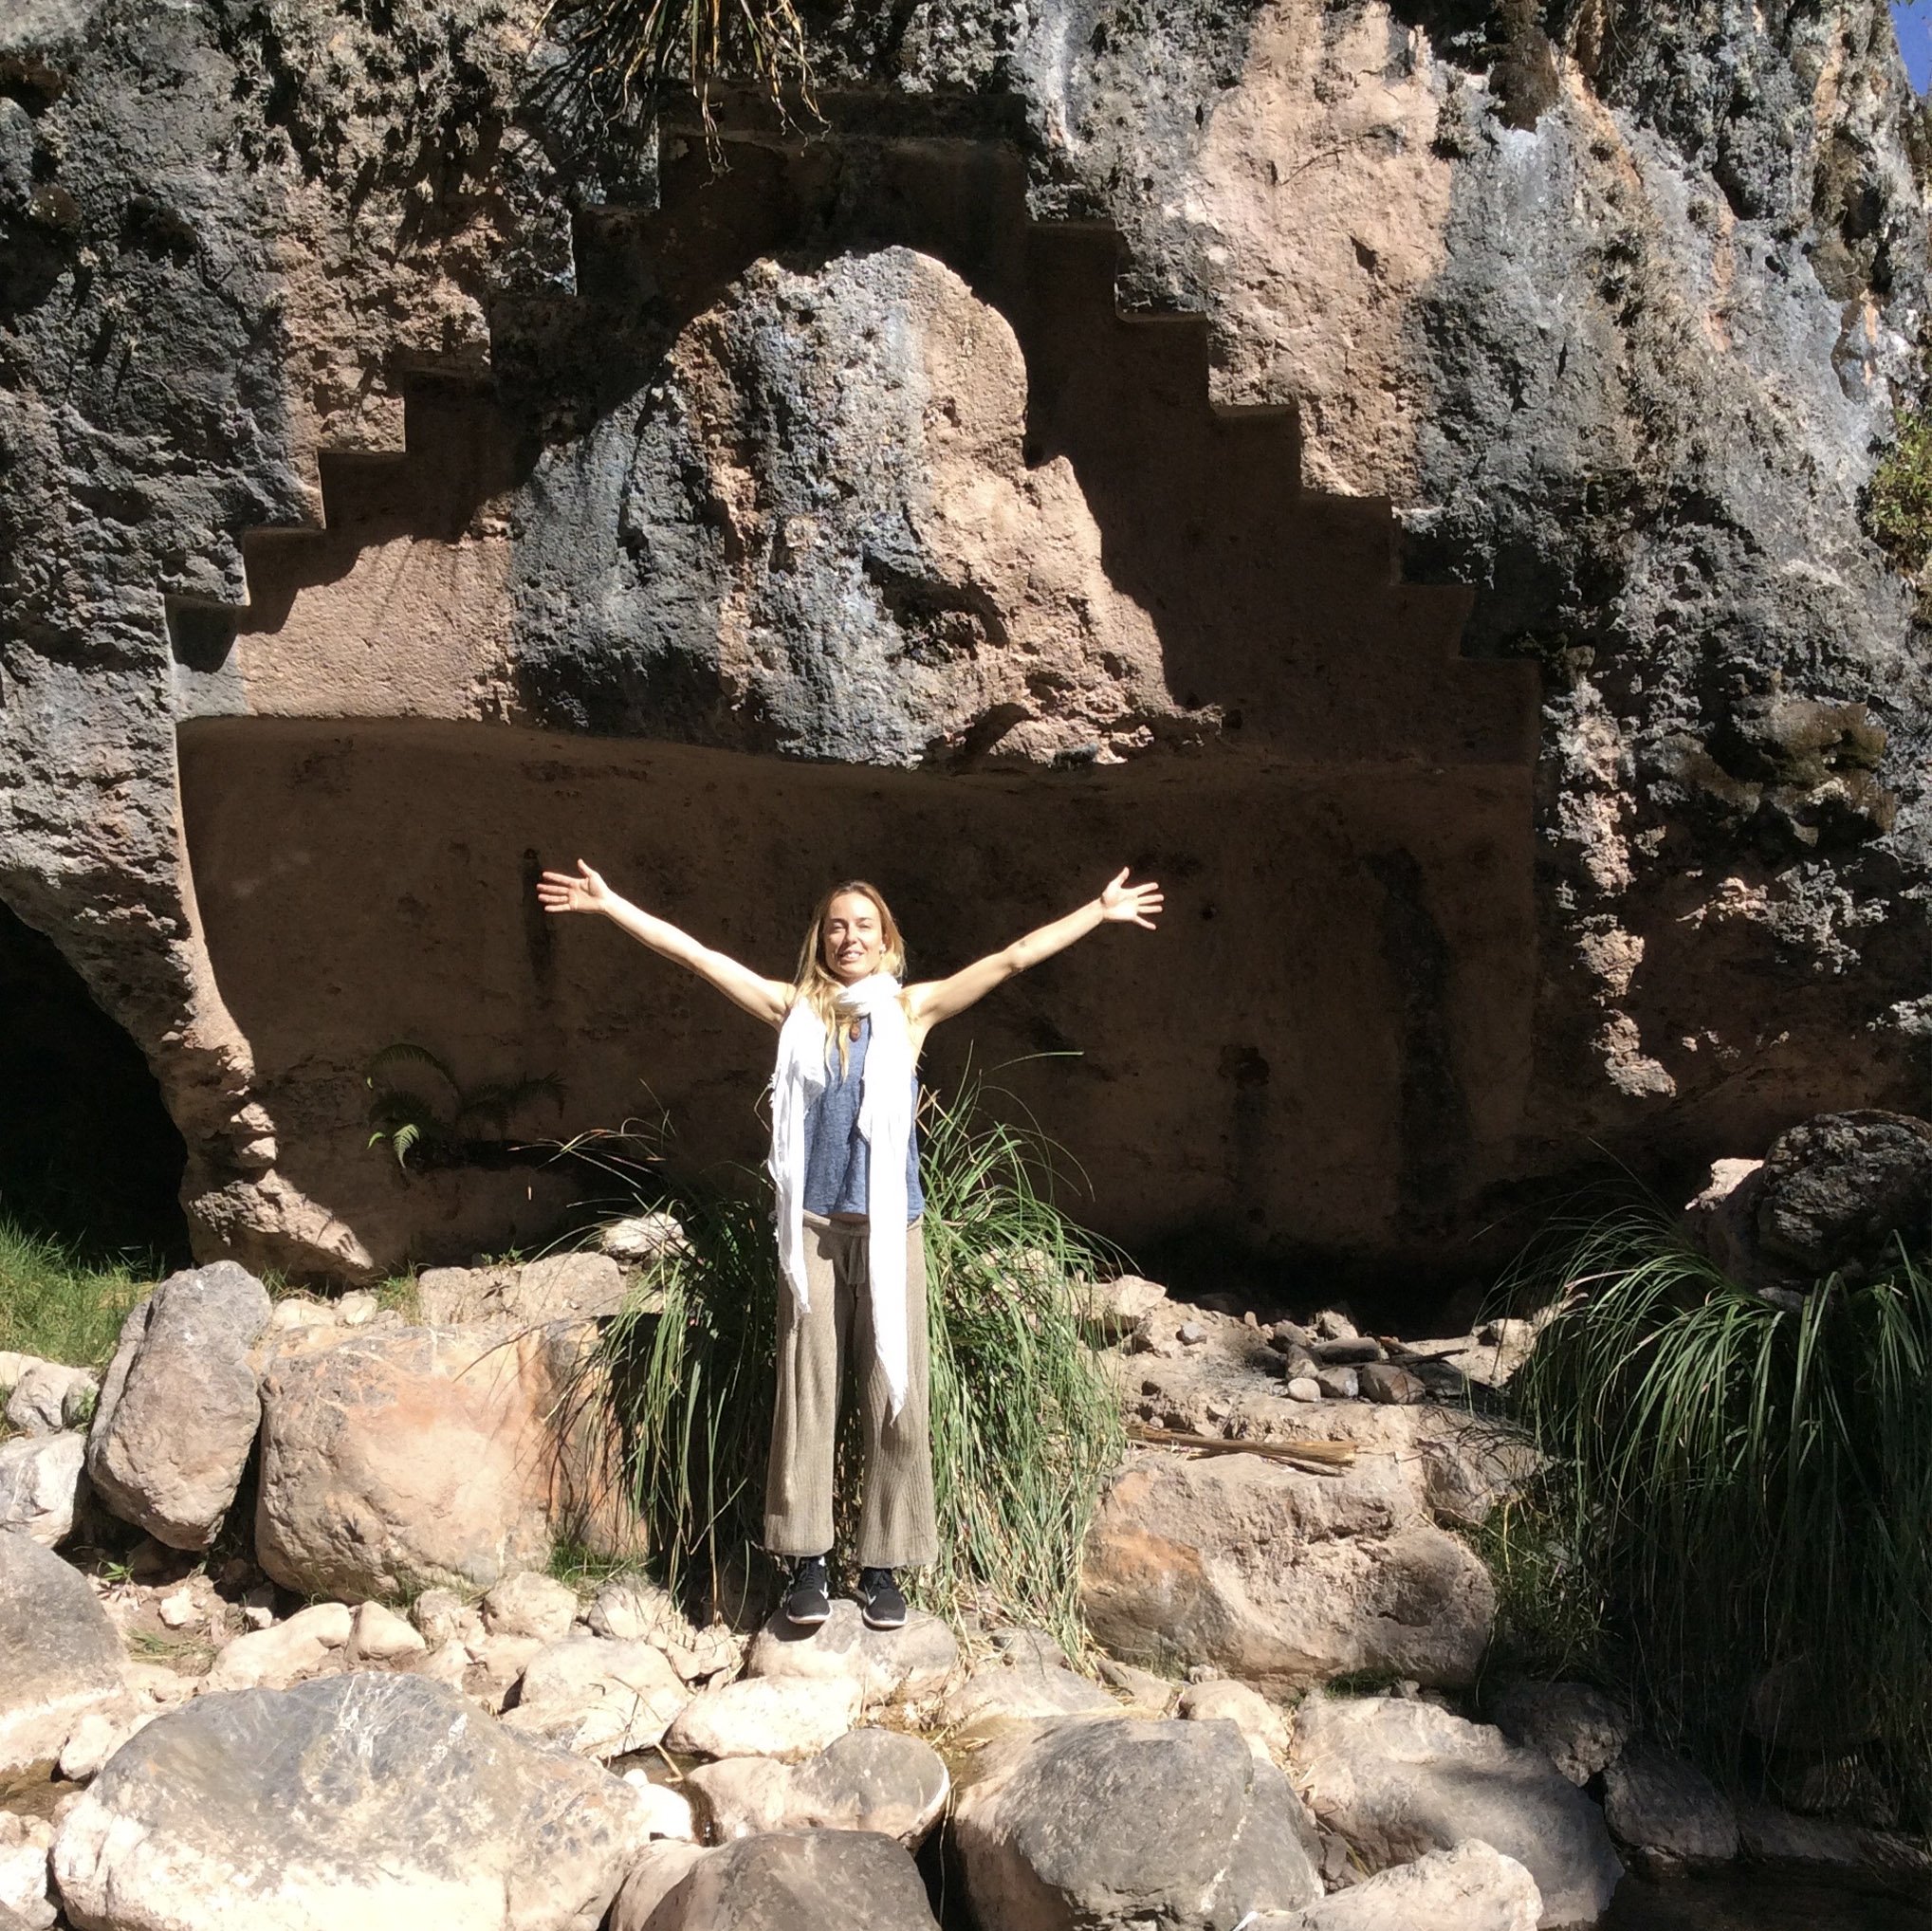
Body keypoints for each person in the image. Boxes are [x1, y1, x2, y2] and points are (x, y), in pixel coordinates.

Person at [536, 859, 1163, 1630]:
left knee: (894, 1393)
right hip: (811, 1232)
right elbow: (694, 955)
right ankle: (806, 1562)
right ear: (820, 939)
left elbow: (1013, 957)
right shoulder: (793, 1008)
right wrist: (611, 905)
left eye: (863, 924)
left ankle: (885, 1566)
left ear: (887, 939)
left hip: (892, 1228)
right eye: (837, 925)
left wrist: (1097, 912)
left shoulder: (912, 1009)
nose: (849, 936)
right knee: (808, 1395)